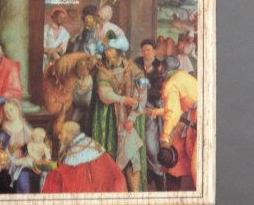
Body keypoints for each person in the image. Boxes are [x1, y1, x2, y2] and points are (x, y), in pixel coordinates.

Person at [93, 37, 145, 190]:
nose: (106, 54)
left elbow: (143, 90)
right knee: (111, 154)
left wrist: (132, 117)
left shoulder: (132, 67)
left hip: (130, 115)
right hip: (109, 116)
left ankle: (134, 192)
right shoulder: (102, 70)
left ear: (118, 52)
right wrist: (123, 99)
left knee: (132, 153)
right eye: (105, 51)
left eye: (109, 50)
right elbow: (104, 93)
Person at [153, 56, 198, 190]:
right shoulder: (182, 76)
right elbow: (177, 107)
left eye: (161, 67)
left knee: (193, 164)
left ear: (165, 69)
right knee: (178, 159)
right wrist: (156, 112)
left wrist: (165, 137)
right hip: (192, 118)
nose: (159, 70)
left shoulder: (171, 84)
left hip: (195, 121)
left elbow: (173, 112)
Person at [42, 121, 127, 193]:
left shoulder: (78, 148)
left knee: (51, 180)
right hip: (102, 187)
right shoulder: (84, 142)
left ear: (70, 134)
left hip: (102, 188)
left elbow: (70, 175)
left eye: (61, 133)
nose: (59, 137)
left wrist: (47, 170)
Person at [134, 39, 167, 190]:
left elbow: (158, 90)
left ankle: (159, 178)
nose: (145, 52)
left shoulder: (160, 66)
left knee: (151, 146)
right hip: (136, 104)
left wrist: (142, 86)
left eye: (148, 50)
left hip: (152, 107)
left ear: (154, 51)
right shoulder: (137, 63)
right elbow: (131, 81)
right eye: (143, 50)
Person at [0, 98, 40, 193]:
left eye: (11, 109)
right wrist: (10, 159)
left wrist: (28, 157)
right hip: (7, 164)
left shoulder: (26, 127)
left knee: (28, 175)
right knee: (21, 177)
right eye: (6, 112)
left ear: (17, 109)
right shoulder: (1, 130)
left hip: (25, 163)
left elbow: (33, 145)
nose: (8, 113)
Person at [43, 6, 70, 71]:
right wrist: (52, 53)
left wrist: (53, 52)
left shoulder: (65, 33)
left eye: (63, 18)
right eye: (60, 17)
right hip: (43, 58)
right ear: (54, 17)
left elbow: (62, 49)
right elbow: (42, 48)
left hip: (56, 58)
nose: (62, 19)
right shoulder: (45, 28)